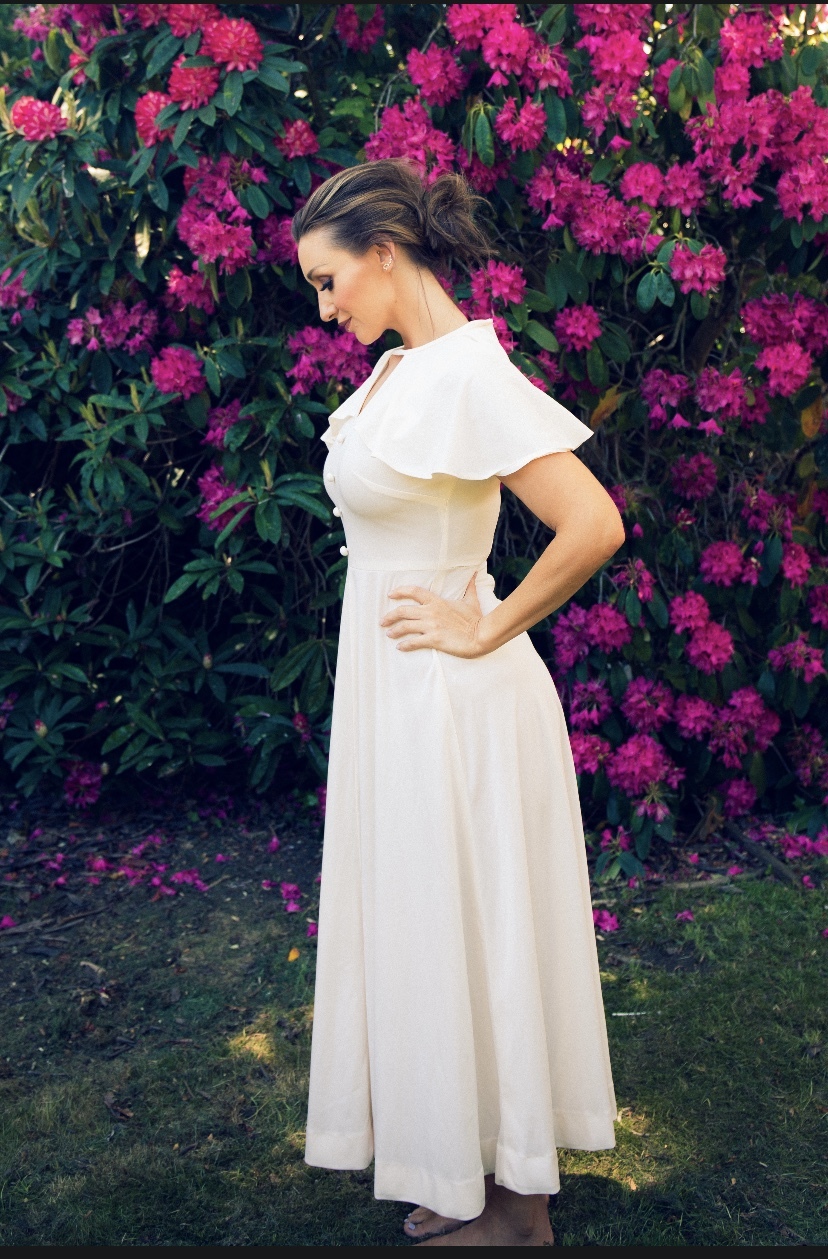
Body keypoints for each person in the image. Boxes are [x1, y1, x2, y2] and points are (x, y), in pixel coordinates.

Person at [291, 157, 624, 1247]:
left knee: (478, 924)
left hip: (452, 698)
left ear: (385, 252)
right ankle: (463, 1159)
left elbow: (592, 523)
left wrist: (485, 624)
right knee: (432, 925)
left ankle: (521, 1207)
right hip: (396, 695)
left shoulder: (468, 372)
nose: (325, 308)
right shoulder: (399, 374)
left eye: (330, 280)